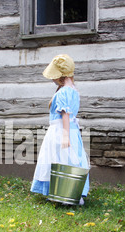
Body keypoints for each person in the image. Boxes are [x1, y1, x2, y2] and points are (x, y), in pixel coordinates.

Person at [30, 54, 90, 205]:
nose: (52, 79)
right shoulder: (74, 91)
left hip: (62, 130)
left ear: (60, 75)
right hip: (72, 130)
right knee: (71, 159)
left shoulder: (63, 92)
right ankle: (64, 192)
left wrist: (64, 135)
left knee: (60, 159)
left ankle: (67, 194)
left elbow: (65, 114)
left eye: (54, 76)